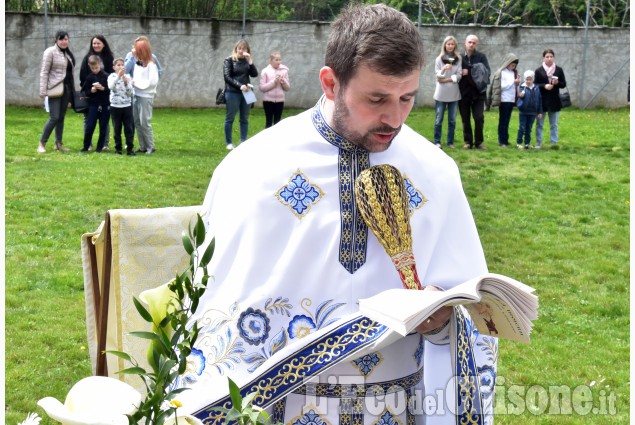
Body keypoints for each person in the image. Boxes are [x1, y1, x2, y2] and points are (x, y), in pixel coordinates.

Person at [183, 5, 497, 425]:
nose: (395, 118)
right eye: (377, 99)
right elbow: (219, 299)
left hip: (396, 406)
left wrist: (445, 319)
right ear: (330, 83)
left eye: (407, 98)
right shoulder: (254, 168)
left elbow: (471, 312)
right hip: (282, 407)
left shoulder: (435, 172)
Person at [37, 30, 75, 153]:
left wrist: (72, 90)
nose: (64, 42)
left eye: (66, 39)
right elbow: (44, 72)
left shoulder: (67, 54)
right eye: (61, 39)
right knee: (54, 117)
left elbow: (70, 74)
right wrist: (43, 90)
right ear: (56, 40)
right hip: (55, 88)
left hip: (66, 89)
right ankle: (42, 143)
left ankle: (58, 143)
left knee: (61, 117)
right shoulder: (50, 52)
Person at [80, 35, 115, 151]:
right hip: (92, 98)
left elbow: (112, 78)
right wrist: (89, 89)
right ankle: (88, 144)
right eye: (94, 43)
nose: (96, 45)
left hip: (105, 98)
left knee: (105, 123)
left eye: (98, 43)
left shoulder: (109, 58)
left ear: (103, 44)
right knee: (88, 121)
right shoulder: (87, 58)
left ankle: (104, 144)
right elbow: (83, 77)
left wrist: (104, 87)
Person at [222, 39, 258, 150]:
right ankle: (229, 143)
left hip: (246, 93)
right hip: (232, 92)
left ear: (247, 50)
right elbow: (227, 77)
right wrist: (239, 86)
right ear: (236, 49)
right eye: (239, 48)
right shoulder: (229, 60)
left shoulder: (247, 61)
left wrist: (250, 62)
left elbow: (254, 74)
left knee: (244, 118)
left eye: (244, 48)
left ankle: (243, 141)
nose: (241, 51)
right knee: (230, 118)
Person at [458, 34, 490, 150]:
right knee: (465, 119)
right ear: (465, 43)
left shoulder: (481, 57)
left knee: (479, 117)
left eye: (474, 43)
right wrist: (461, 72)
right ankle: (468, 142)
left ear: (477, 44)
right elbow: (454, 73)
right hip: (463, 94)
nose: (471, 44)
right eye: (469, 42)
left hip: (478, 94)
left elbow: (487, 72)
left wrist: (471, 70)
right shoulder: (459, 57)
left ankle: (479, 142)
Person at [130, 37, 159, 154]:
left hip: (146, 96)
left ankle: (150, 146)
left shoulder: (151, 65)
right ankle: (142, 146)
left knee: (145, 122)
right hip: (136, 94)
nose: (134, 51)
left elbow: (152, 82)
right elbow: (136, 77)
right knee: (137, 121)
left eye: (137, 49)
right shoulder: (138, 63)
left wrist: (136, 83)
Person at [432, 36, 462, 149]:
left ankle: (450, 142)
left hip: (454, 93)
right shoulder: (439, 59)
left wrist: (445, 80)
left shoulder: (458, 59)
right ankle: (437, 141)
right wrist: (444, 69)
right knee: (439, 119)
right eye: (448, 44)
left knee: (452, 120)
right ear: (444, 45)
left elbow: (458, 76)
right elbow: (437, 76)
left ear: (455, 46)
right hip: (441, 94)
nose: (450, 46)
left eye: (452, 44)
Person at [534, 49, 566, 148]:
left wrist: (558, 83)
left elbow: (564, 84)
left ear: (554, 57)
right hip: (542, 101)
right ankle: (538, 143)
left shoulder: (558, 70)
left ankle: (554, 143)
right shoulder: (538, 71)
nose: (549, 59)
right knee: (539, 124)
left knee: (554, 124)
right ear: (544, 58)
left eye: (551, 56)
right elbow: (535, 84)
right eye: (547, 57)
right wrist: (544, 86)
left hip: (554, 100)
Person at [487, 53, 520, 147]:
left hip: (511, 99)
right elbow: (501, 87)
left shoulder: (514, 72)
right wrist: (512, 82)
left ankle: (505, 139)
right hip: (504, 99)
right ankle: (501, 140)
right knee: (503, 120)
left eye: (515, 65)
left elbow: (514, 86)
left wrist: (517, 83)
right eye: (512, 64)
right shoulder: (501, 72)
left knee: (507, 121)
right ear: (507, 63)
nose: (513, 66)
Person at [80, 56, 110, 153]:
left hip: (105, 105)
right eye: (93, 68)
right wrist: (91, 91)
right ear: (89, 66)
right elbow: (85, 92)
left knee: (103, 127)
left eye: (96, 68)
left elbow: (111, 90)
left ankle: (99, 147)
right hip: (93, 105)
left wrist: (103, 89)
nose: (95, 70)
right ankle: (86, 146)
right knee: (90, 126)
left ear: (100, 64)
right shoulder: (89, 77)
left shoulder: (106, 76)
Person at [108, 58, 136, 156]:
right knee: (117, 128)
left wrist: (126, 83)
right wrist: (118, 78)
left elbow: (131, 93)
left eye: (122, 65)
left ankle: (130, 149)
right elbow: (111, 87)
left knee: (128, 128)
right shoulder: (111, 76)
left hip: (126, 106)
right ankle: (118, 149)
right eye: (118, 65)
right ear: (114, 67)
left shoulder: (128, 77)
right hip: (115, 106)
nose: (120, 67)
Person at [258, 51, 290, 128]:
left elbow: (287, 88)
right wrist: (274, 82)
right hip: (268, 101)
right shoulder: (265, 71)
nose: (279, 62)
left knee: (277, 122)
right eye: (276, 60)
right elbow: (262, 88)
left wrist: (283, 82)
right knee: (268, 122)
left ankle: (276, 139)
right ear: (271, 60)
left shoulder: (284, 71)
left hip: (280, 100)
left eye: (280, 59)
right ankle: (267, 139)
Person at [516, 70, 542, 149]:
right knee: (522, 127)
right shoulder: (522, 87)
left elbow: (539, 100)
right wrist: (521, 95)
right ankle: (519, 143)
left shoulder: (536, 88)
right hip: (523, 112)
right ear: (525, 79)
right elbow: (520, 96)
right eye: (527, 79)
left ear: (533, 79)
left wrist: (539, 112)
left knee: (529, 128)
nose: (528, 81)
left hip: (533, 112)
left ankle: (527, 143)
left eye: (530, 79)